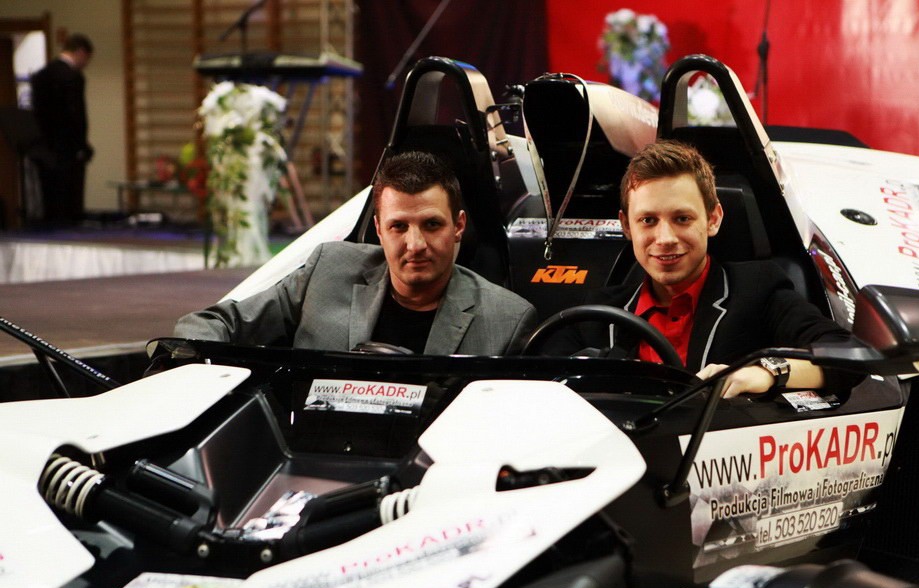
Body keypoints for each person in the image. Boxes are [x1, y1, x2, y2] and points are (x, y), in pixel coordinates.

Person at [547, 139, 860, 399]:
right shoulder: (597, 314)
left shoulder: (758, 289)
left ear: (713, 219)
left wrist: (766, 371)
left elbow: (850, 356)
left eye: (682, 219)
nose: (665, 238)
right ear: (626, 226)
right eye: (648, 220)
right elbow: (538, 379)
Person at [174, 150, 537, 356]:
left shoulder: (507, 320)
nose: (415, 245)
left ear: (458, 226)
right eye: (399, 227)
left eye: (431, 225)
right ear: (379, 229)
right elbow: (213, 325)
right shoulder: (326, 272)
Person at [30, 33, 94, 226]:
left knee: (50, 199)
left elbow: (38, 113)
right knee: (70, 200)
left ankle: (51, 233)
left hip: (44, 146)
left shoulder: (41, 75)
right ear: (80, 52)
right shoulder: (72, 77)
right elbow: (76, 115)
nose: (86, 64)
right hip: (68, 148)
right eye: (87, 59)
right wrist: (82, 145)